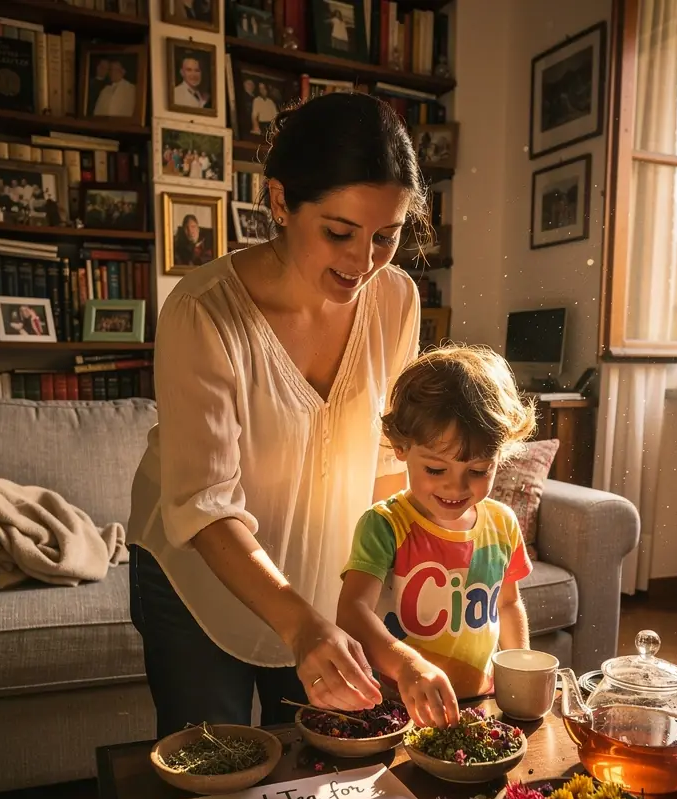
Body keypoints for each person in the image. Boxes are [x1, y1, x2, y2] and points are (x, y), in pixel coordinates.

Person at [126, 92, 441, 738]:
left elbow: (388, 468)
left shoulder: (398, 301)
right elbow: (206, 508)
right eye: (339, 232)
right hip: (195, 581)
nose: (362, 263)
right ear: (278, 203)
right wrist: (301, 623)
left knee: (319, 783)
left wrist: (382, 628)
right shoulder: (203, 312)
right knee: (210, 782)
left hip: (322, 580)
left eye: (387, 236)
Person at [336, 346, 535, 716]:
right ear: (401, 446)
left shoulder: (503, 524)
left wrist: (517, 671)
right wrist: (407, 666)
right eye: (435, 470)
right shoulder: (384, 526)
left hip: (480, 703)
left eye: (477, 471)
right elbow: (351, 613)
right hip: (397, 705)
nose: (456, 489)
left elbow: (508, 604)